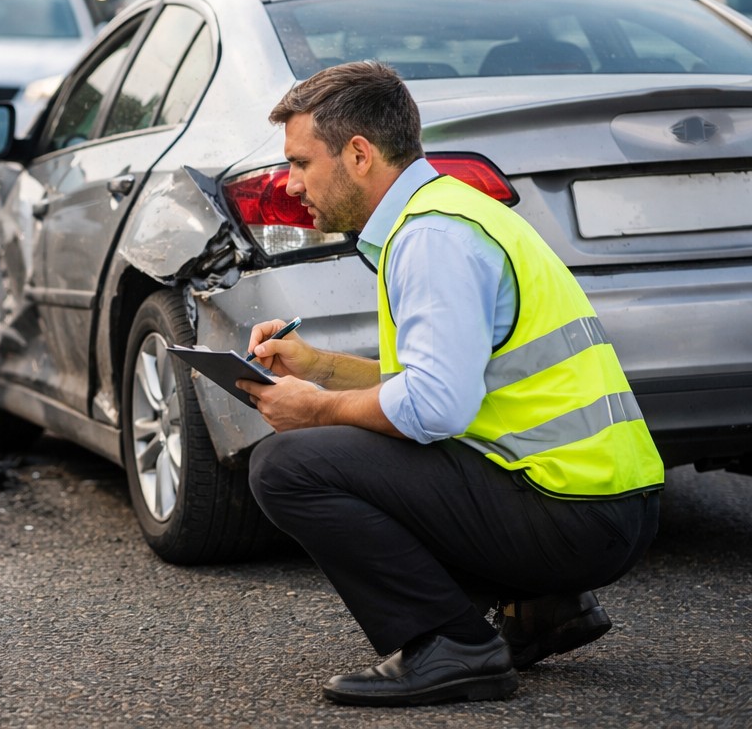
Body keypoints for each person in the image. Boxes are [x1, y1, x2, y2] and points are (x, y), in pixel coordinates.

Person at [242, 61, 663, 708]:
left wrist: (318, 410)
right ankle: (541, 607)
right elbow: (439, 382)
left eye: (301, 162)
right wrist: (317, 367)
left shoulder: (432, 236)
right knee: (363, 439)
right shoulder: (447, 212)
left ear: (358, 154)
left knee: (286, 465)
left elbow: (434, 406)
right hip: (599, 501)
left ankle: (452, 647)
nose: (291, 184)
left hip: (573, 514)